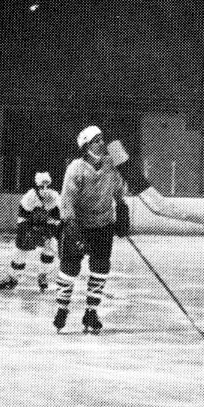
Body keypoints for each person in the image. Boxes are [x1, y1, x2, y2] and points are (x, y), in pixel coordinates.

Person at [54, 125, 130, 333]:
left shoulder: (110, 165)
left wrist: (122, 209)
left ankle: (91, 312)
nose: (101, 143)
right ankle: (62, 309)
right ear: (86, 145)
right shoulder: (76, 168)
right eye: (96, 140)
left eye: (102, 139)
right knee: (70, 269)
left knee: (100, 268)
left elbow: (118, 190)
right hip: (78, 225)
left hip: (103, 225)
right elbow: (67, 201)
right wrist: (71, 226)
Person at [0, 172, 61, 292]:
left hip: (46, 227)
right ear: (37, 187)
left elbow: (57, 219)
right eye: (41, 186)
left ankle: (43, 275)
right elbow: (22, 218)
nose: (44, 189)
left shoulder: (55, 198)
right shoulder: (29, 197)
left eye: (47, 186)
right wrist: (27, 231)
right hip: (30, 226)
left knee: (50, 247)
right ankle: (13, 277)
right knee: (20, 251)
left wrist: (50, 232)